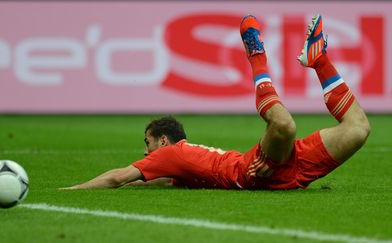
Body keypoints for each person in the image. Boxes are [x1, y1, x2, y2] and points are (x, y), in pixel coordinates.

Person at [61, 14, 370, 190]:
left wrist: (70, 191)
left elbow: (117, 177)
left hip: (254, 171)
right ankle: (320, 61)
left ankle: (257, 57)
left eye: (148, 142)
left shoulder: (168, 154)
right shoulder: (178, 166)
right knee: (358, 129)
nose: (145, 151)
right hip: (291, 174)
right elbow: (151, 183)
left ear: (164, 140)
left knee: (285, 125)